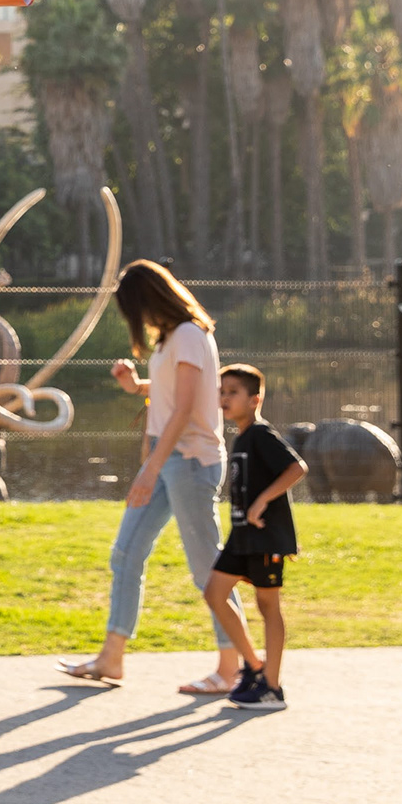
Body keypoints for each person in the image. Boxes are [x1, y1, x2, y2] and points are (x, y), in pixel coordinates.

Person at [60, 257, 237, 691]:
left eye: (135, 309)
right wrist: (134, 386)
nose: (137, 320)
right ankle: (111, 658)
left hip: (190, 461)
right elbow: (173, 394)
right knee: (126, 552)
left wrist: (148, 470)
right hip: (165, 456)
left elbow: (184, 408)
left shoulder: (191, 336)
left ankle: (232, 669)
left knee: (205, 567)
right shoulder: (172, 338)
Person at [204, 365, 307, 712]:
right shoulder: (242, 436)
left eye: (232, 392)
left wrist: (263, 500)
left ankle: (272, 688)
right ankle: (253, 666)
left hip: (265, 538)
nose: (224, 398)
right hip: (242, 537)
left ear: (255, 399)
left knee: (268, 607)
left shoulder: (262, 434)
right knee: (215, 593)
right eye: (222, 391)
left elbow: (296, 468)